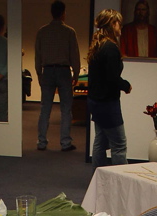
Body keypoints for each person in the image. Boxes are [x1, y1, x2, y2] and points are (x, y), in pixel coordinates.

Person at [88, 9, 132, 171]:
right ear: (113, 24)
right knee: (119, 144)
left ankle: (98, 180)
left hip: (95, 101)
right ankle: (121, 183)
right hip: (107, 103)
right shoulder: (111, 47)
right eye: (119, 23)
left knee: (100, 140)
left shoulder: (98, 45)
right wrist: (126, 85)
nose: (121, 26)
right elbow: (112, 77)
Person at [35, 1, 80, 151]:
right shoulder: (69, 32)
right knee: (66, 109)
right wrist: (76, 72)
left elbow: (38, 56)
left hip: (47, 71)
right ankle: (65, 142)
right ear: (63, 13)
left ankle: (41, 142)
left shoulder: (42, 31)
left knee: (45, 108)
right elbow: (74, 54)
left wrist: (39, 73)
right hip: (63, 71)